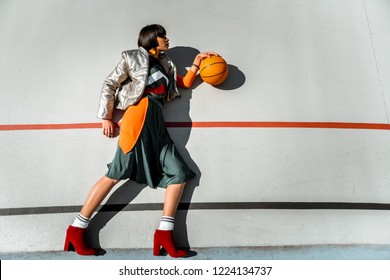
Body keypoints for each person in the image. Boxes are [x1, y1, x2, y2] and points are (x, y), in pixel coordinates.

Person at [63, 24, 217, 258]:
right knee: (116, 172)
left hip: (157, 121)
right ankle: (76, 229)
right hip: (137, 116)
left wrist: (197, 63)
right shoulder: (132, 57)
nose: (167, 39)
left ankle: (164, 235)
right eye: (163, 35)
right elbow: (110, 84)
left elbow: (183, 84)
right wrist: (106, 117)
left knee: (179, 173)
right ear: (152, 38)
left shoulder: (166, 64)